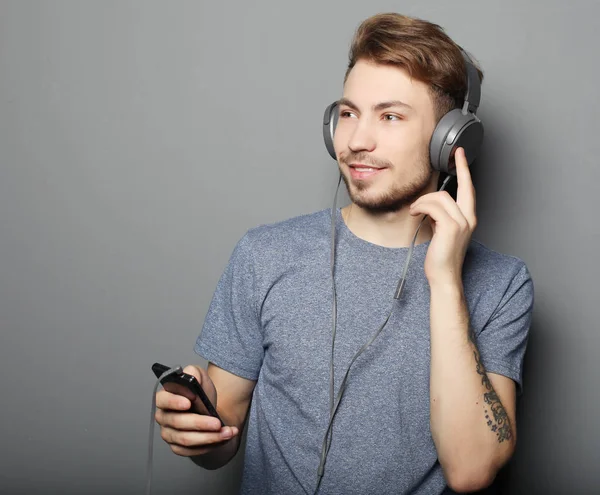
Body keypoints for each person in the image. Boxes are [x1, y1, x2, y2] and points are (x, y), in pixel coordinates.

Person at [155, 12, 534, 495]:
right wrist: (198, 428)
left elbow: (470, 471)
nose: (356, 141)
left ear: (449, 140)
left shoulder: (502, 284)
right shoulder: (264, 254)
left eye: (390, 116)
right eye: (349, 113)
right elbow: (221, 438)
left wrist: (444, 280)